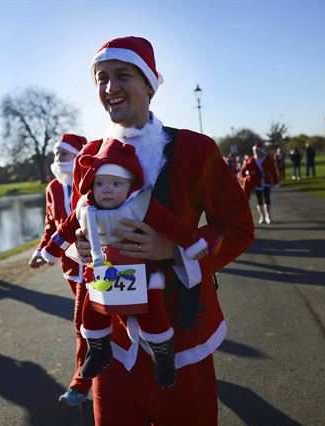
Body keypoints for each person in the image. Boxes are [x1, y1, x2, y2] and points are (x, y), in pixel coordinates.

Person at [72, 36, 253, 424]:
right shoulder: (88, 158)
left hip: (184, 338)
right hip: (114, 346)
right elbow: (80, 225)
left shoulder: (196, 150)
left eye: (123, 75)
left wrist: (173, 249)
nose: (109, 88)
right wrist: (83, 246)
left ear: (150, 85)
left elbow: (238, 228)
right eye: (101, 78)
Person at [40, 137, 208, 389]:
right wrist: (51, 252)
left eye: (116, 183)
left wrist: (192, 243)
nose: (107, 189)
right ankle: (98, 348)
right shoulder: (85, 210)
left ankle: (162, 354)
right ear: (91, 185)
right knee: (91, 312)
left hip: (141, 273)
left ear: (130, 185)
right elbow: (64, 230)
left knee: (154, 315)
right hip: (103, 274)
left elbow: (173, 226)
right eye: (100, 183)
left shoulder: (141, 206)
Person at [28, 133, 93, 406]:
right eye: (55, 155)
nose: (57, 160)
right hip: (69, 268)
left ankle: (82, 383)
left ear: (77, 155)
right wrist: (40, 251)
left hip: (96, 265)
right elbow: (50, 226)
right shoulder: (52, 188)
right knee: (92, 324)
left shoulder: (91, 178)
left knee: (83, 325)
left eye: (63, 154)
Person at [238, 143, 279, 224]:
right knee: (259, 200)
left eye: (256, 150)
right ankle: (262, 216)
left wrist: (275, 181)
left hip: (266, 182)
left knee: (267, 199)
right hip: (257, 183)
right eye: (254, 150)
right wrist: (248, 172)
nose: (255, 152)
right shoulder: (251, 160)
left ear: (261, 151)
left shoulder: (267, 159)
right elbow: (244, 171)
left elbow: (273, 170)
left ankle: (268, 216)